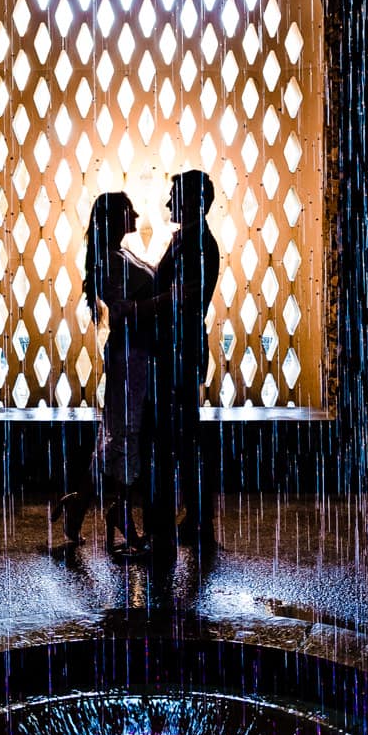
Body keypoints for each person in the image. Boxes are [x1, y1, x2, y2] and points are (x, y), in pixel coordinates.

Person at [55, 190, 155, 556]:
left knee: (121, 434)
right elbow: (123, 308)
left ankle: (84, 504)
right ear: (115, 217)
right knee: (123, 434)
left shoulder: (121, 254)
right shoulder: (108, 261)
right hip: (129, 355)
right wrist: (166, 299)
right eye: (130, 210)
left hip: (139, 353)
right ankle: (119, 513)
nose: (138, 213)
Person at [131, 170, 220, 559]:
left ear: (193, 202)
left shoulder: (196, 245)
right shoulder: (190, 240)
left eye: (174, 197)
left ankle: (168, 529)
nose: (168, 204)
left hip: (178, 352)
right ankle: (192, 522)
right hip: (178, 349)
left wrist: (133, 309)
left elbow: (180, 298)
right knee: (180, 439)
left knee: (171, 440)